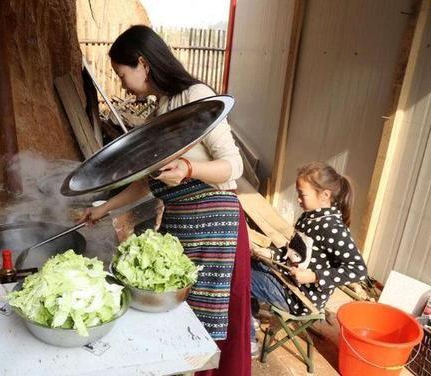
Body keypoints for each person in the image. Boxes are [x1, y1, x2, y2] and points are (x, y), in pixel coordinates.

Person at [79, 25, 251, 375]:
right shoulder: (161, 110)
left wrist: (189, 169)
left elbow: (234, 165)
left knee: (210, 328)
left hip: (215, 227)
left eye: (122, 73)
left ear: (142, 63)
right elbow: (149, 182)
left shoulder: (195, 96)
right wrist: (103, 209)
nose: (123, 83)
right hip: (179, 229)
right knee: (180, 322)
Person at [251, 162, 368, 324]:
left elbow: (359, 270)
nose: (298, 199)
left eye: (302, 194)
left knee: (240, 278)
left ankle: (247, 338)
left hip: (299, 298)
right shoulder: (308, 218)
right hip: (285, 280)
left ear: (325, 195)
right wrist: (270, 253)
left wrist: (314, 276)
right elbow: (293, 252)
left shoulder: (332, 228)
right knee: (244, 264)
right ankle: (250, 317)